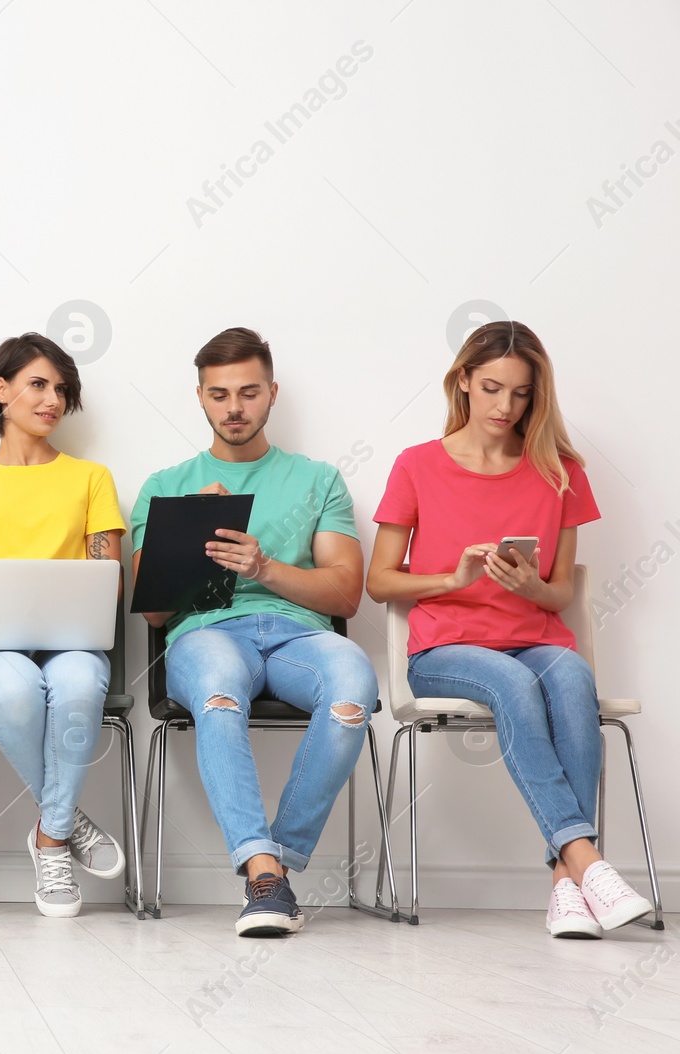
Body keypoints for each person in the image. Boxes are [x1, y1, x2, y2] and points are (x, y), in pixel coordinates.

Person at [366, 320, 651, 937]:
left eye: (521, 393)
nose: (505, 406)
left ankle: (565, 890)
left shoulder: (559, 469)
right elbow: (380, 582)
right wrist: (452, 579)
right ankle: (587, 858)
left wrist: (532, 589)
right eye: (492, 387)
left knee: (572, 677)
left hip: (534, 638)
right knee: (514, 685)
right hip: (446, 647)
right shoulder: (417, 465)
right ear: (463, 380)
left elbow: (561, 591)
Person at [132, 327, 376, 936]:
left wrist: (264, 566)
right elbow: (154, 615)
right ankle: (260, 867)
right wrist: (187, 530)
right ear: (200, 398)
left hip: (299, 637)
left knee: (354, 687)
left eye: (247, 392)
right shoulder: (166, 485)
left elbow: (346, 591)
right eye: (219, 395)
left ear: (272, 393)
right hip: (206, 635)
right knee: (218, 691)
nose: (234, 408)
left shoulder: (318, 479)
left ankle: (278, 866)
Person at [0, 333, 128, 917]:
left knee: (77, 685)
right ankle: (65, 820)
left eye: (61, 389)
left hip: (71, 642)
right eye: (38, 384)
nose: (52, 400)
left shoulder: (91, 478)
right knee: (15, 688)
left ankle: (49, 838)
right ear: (2, 390)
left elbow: (104, 576)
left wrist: (54, 625)